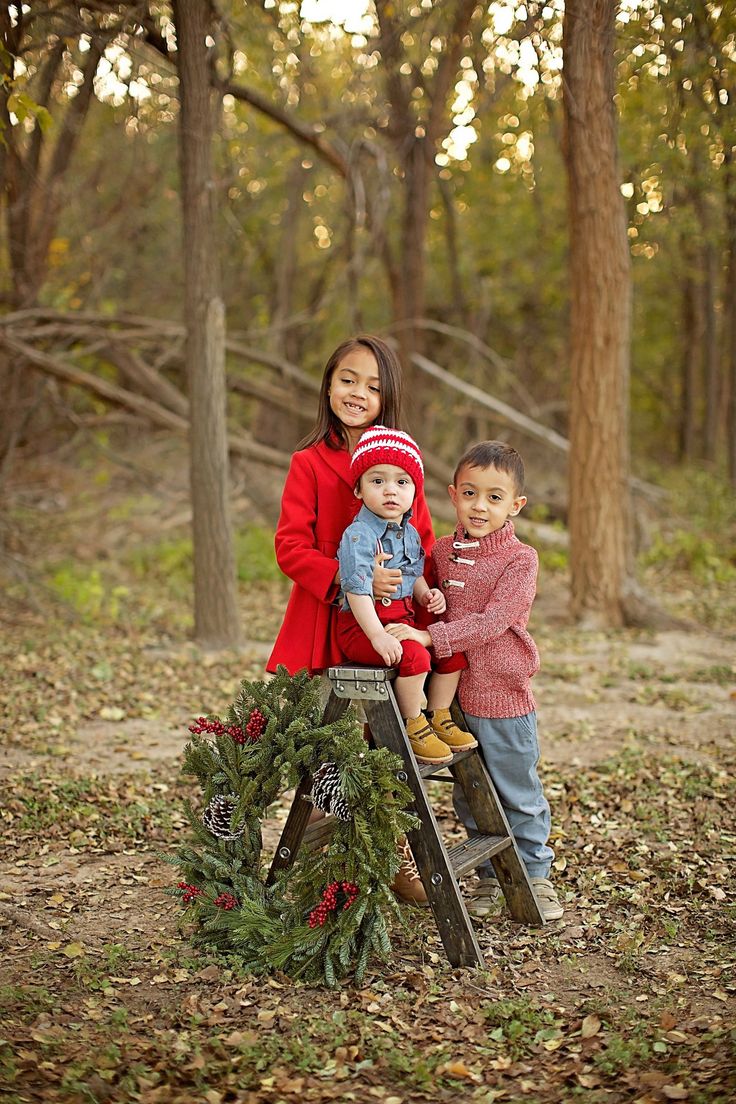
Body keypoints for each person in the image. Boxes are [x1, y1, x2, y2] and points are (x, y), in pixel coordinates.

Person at [266, 335, 434, 905]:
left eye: (373, 386)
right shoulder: (308, 463)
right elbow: (289, 546)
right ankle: (319, 876)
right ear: (329, 384)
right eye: (348, 380)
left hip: (394, 624)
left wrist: (420, 600)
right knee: (330, 751)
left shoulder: (404, 461)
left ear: (389, 397)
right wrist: (347, 582)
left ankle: (393, 855)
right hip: (326, 623)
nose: (358, 393)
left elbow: (424, 538)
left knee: (390, 747)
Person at [386, 440, 563, 922]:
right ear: (452, 495)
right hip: (449, 701)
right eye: (469, 493)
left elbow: (496, 619)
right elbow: (416, 588)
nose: (480, 506)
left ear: (516, 505)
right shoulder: (440, 552)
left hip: (502, 698)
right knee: (470, 794)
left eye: (494, 497)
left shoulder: (520, 560)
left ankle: (534, 876)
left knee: (517, 791)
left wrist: (430, 633)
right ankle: (491, 877)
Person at [336, 426, 477, 766]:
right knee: (415, 657)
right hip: (361, 626)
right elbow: (355, 590)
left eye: (402, 482)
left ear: (415, 491)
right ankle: (413, 723)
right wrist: (376, 635)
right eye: (377, 480)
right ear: (358, 488)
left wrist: (428, 595)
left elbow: (412, 575)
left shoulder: (410, 533)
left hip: (401, 618)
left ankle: (439, 715)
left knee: (449, 650)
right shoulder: (358, 536)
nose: (390, 491)